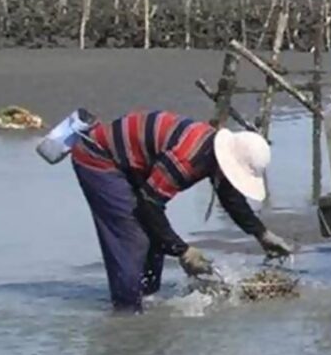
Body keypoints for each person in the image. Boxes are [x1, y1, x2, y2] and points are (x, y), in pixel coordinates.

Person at [70, 110, 293, 311]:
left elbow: (230, 197)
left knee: (154, 236)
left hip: (129, 161)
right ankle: (126, 311)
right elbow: (148, 205)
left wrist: (261, 234)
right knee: (134, 238)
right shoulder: (188, 159)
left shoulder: (211, 152)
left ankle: (146, 298)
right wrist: (183, 251)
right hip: (97, 157)